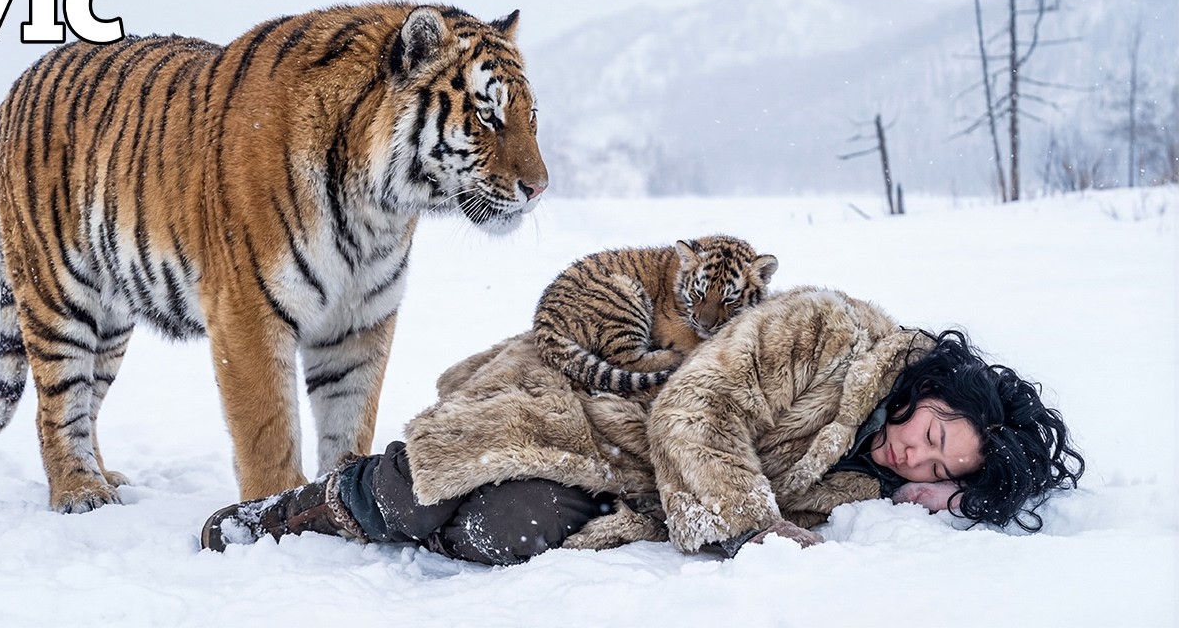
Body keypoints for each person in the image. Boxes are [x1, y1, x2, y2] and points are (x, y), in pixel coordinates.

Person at [200, 286, 1084, 563]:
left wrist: (944, 500)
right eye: (930, 430)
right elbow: (701, 408)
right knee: (423, 483)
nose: (912, 452)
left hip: (628, 486)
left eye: (938, 464)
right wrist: (750, 528)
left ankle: (406, 529)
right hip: (586, 406)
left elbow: (856, 503)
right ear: (931, 389)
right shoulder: (828, 329)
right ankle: (307, 508)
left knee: (498, 526)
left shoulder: (881, 479)